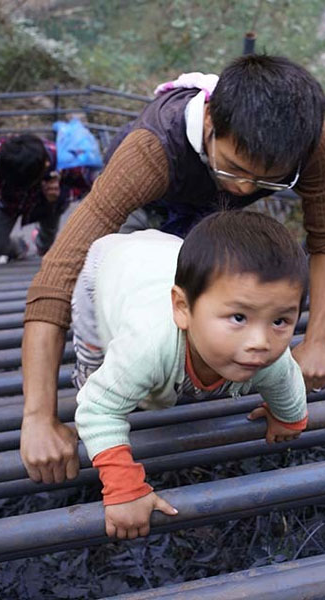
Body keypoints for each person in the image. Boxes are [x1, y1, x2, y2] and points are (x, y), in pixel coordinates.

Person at [20, 54, 325, 486]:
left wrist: (319, 341)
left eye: (267, 181)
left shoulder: (307, 136)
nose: (247, 188)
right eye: (236, 167)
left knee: (223, 302)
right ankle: (125, 377)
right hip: (148, 211)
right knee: (144, 297)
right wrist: (39, 416)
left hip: (214, 217)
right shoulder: (149, 152)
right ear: (211, 119)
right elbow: (58, 276)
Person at [73, 210, 309, 539]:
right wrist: (124, 487)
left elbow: (287, 380)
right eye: (239, 317)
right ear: (183, 309)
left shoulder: (270, 353)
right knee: (93, 364)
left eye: (281, 321)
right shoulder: (146, 346)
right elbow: (98, 409)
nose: (261, 343)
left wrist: (288, 417)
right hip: (108, 267)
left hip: (166, 254)